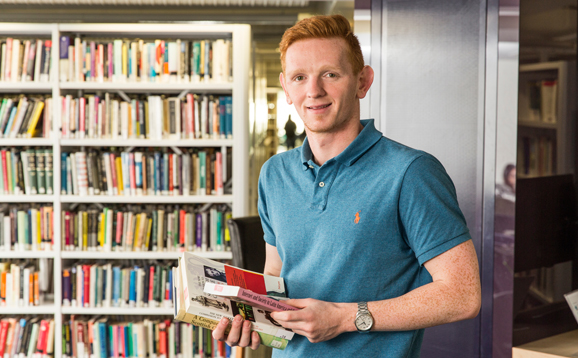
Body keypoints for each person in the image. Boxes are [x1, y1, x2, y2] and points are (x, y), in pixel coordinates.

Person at [212, 14, 481, 357]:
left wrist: (344, 318)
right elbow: (276, 272)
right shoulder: (274, 173)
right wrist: (250, 322)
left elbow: (462, 295)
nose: (314, 91)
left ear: (362, 81)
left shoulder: (411, 172)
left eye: (330, 74)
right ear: (286, 88)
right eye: (299, 77)